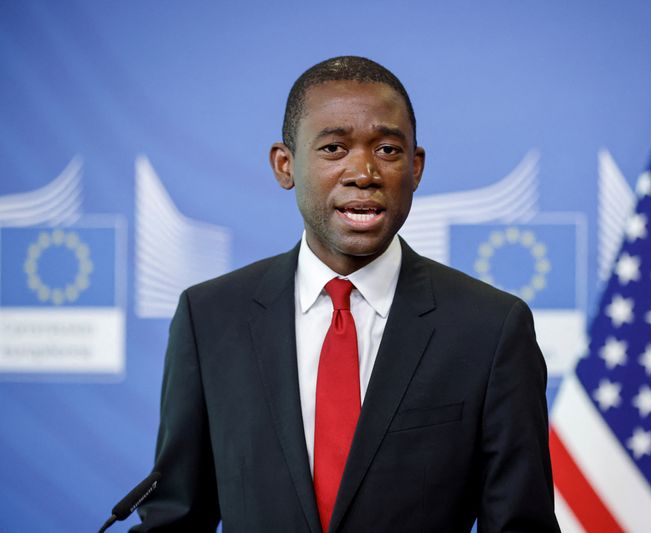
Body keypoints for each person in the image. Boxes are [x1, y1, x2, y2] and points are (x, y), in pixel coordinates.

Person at [133, 56, 560, 532]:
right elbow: (175, 518)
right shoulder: (209, 318)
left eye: (388, 150)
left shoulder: (490, 328)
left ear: (416, 168)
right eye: (334, 147)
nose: (363, 172)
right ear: (285, 164)